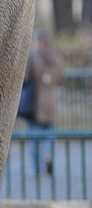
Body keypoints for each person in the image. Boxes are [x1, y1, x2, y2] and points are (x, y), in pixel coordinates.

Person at [23, 31, 64, 174]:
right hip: (51, 103)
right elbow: (60, 79)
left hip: (35, 104)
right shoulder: (56, 58)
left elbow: (26, 78)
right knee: (50, 134)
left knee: (33, 138)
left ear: (39, 42)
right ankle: (49, 154)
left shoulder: (33, 57)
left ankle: (36, 169)